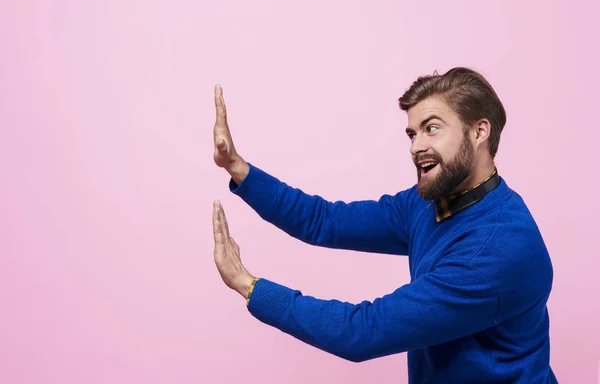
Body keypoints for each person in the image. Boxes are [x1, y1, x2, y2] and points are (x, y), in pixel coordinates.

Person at [211, 67, 558, 383]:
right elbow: (324, 220)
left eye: (432, 129)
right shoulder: (430, 202)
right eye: (412, 134)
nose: (416, 146)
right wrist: (237, 167)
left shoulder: (496, 251)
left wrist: (248, 285)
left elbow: (361, 332)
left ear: (479, 131)